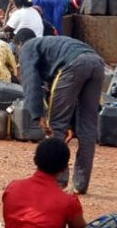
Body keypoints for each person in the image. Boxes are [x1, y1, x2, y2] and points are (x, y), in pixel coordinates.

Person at [15, 30, 104, 195]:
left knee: (55, 126)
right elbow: (60, 93)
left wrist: (38, 114)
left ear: (19, 44)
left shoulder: (27, 47)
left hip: (73, 64)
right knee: (88, 128)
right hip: (96, 62)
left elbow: (30, 80)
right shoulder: (50, 46)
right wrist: (71, 123)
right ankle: (80, 184)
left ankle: (56, 182)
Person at [3, 138, 117, 228]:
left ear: (35, 160)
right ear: (64, 168)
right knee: (116, 220)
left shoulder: (13, 187)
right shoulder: (68, 201)